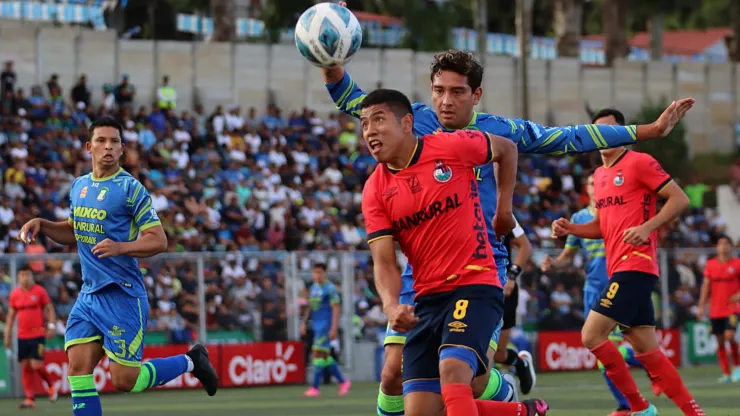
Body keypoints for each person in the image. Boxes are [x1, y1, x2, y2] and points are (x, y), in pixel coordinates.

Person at [323, 25, 693, 413]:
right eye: (438, 91)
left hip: (482, 266)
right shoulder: (412, 122)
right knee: (393, 374)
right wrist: (331, 48)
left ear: (476, 95)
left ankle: (508, 388)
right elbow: (353, 100)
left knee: (465, 377)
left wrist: (648, 131)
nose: (445, 102)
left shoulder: (499, 131)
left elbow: (566, 137)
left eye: (457, 92)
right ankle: (518, 402)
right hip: (423, 273)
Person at [360, 88, 549, 416]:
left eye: (379, 120)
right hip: (426, 301)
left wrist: (504, 211)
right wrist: (391, 306)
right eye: (364, 124)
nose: (370, 131)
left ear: (407, 123)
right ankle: (525, 412)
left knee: (453, 371)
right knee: (424, 410)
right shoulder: (374, 190)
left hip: (475, 285)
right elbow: (384, 261)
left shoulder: (450, 146)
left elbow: (506, 149)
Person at [17, 117, 218, 416]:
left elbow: (159, 240)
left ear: (122, 149)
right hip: (89, 295)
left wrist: (121, 247)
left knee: (124, 380)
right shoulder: (79, 186)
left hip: (122, 295)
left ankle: (192, 360)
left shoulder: (130, 189)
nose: (107, 146)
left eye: (114, 141)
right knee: (78, 369)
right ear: (89, 147)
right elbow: (74, 231)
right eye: (101, 141)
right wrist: (44, 225)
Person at [551, 108, 705, 416]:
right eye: (599, 132)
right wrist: (571, 229)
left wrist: (648, 227)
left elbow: (680, 199)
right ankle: (693, 412)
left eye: (611, 130)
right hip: (619, 268)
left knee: (591, 335)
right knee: (647, 351)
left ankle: (638, 406)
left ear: (623, 135)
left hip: (635, 266)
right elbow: (601, 227)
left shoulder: (640, 163)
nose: (605, 137)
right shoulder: (599, 176)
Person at [542, 152, 657, 416]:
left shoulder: (621, 208)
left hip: (622, 285)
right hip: (594, 290)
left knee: (616, 348)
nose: (596, 186)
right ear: (589, 188)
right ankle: (629, 403)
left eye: (597, 183)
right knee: (601, 354)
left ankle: (643, 387)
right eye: (592, 184)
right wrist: (553, 263)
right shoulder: (580, 218)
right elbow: (568, 256)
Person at [489, 216, 536, 394]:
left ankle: (520, 363)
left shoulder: (502, 211)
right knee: (484, 351)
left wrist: (511, 277)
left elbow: (525, 246)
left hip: (504, 288)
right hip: (474, 287)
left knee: (499, 353)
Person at [4, 266, 58, 409]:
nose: (25, 277)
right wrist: (7, 335)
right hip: (22, 336)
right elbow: (10, 316)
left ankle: (51, 386)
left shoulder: (39, 291)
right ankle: (30, 398)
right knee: (25, 366)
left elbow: (49, 308)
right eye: (22, 274)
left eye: (27, 274)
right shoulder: (15, 294)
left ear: (31, 276)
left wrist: (51, 325)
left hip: (38, 334)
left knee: (36, 365)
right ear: (18, 277)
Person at [301, 262, 351, 396]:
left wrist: (333, 328)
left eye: (319, 272)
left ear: (324, 273)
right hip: (316, 325)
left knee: (317, 353)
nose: (316, 275)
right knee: (324, 356)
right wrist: (304, 323)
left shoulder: (330, 288)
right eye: (314, 273)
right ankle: (343, 382)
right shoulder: (313, 288)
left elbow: (336, 308)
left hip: (325, 325)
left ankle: (315, 387)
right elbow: (310, 307)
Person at [697, 235, 740, 382]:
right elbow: (706, 287)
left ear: (731, 247)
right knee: (720, 341)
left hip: (732, 308)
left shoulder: (737, 264)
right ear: (716, 247)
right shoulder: (711, 265)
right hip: (715, 309)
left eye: (726, 244)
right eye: (720, 244)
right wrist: (701, 307)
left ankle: (737, 365)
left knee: (730, 335)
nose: (723, 247)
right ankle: (726, 373)